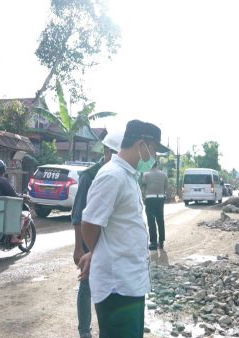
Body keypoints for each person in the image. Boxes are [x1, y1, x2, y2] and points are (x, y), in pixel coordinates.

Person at [78, 119, 169, 338]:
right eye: (154, 150)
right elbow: (89, 223)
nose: (154, 156)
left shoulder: (128, 175)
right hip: (117, 286)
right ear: (142, 145)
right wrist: (98, 252)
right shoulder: (113, 176)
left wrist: (96, 251)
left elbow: (115, 228)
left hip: (128, 283)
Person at [71, 130, 123, 338]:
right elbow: (78, 216)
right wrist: (78, 247)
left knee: (109, 285)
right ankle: (85, 331)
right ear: (106, 151)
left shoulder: (119, 173)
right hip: (89, 241)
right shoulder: (90, 176)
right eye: (115, 153)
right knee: (86, 285)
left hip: (110, 241)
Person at [142, 161, 168, 250]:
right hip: (160, 199)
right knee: (160, 220)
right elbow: (166, 188)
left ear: (150, 165)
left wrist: (143, 197)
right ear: (157, 165)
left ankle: (153, 242)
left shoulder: (146, 175)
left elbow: (143, 187)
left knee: (151, 221)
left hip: (150, 199)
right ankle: (161, 242)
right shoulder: (164, 175)